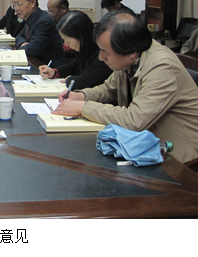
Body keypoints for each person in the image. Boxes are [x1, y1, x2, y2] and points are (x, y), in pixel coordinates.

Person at [52, 11, 198, 164]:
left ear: (131, 52)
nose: (100, 57)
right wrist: (81, 96)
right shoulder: (130, 57)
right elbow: (109, 89)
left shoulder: (161, 67)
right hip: (147, 148)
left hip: (179, 161)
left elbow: (134, 120)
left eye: (104, 51)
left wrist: (83, 107)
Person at [39, 10, 112, 89]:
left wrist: (71, 79)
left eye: (67, 40)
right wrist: (55, 72)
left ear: (80, 36)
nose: (66, 44)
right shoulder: (86, 48)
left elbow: (85, 82)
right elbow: (73, 66)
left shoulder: (101, 54)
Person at [14, 0, 66, 68]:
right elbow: (19, 37)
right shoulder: (30, 18)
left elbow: (32, 50)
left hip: (51, 70)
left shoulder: (44, 21)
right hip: (37, 66)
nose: (16, 9)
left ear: (32, 3)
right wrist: (23, 43)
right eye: (14, 5)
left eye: (19, 4)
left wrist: (14, 52)